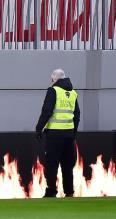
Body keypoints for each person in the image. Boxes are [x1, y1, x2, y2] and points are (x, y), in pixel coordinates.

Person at [35, 68, 80, 198]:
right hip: (69, 135)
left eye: (52, 79)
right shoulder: (73, 93)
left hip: (54, 134)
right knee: (67, 165)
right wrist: (73, 132)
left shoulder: (53, 91)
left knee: (51, 163)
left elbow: (47, 111)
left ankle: (51, 191)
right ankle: (69, 192)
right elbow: (77, 115)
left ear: (55, 78)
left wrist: (39, 128)